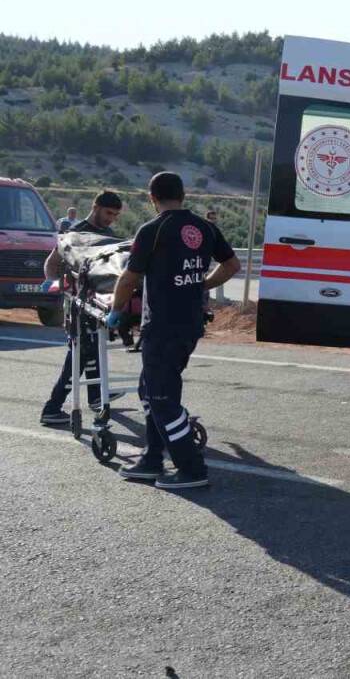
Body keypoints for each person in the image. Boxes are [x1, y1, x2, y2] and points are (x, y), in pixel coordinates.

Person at [108, 172, 240, 489]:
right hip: (190, 324)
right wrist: (201, 284)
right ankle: (152, 458)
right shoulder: (205, 227)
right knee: (151, 388)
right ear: (183, 195)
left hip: (163, 326)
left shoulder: (153, 229)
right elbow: (232, 265)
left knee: (161, 397)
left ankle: (192, 469)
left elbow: (129, 279)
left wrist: (115, 311)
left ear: (152, 198)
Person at [38, 192, 124, 425]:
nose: (111, 219)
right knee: (80, 354)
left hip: (98, 304)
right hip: (77, 304)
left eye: (115, 215)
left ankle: (96, 397)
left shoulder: (109, 236)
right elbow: (52, 264)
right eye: (108, 213)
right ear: (96, 207)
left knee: (92, 350)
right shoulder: (73, 235)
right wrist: (54, 283)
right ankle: (52, 407)